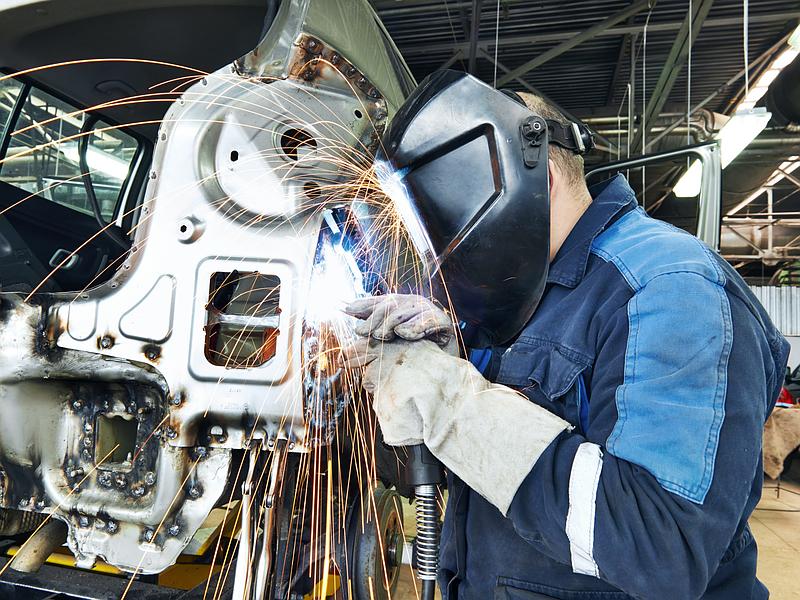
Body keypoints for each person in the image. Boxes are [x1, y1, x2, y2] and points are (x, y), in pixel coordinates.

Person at [343, 71, 789, 600]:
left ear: (535, 178)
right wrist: (448, 364)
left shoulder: (670, 289)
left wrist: (456, 409)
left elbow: (661, 546)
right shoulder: (521, 300)